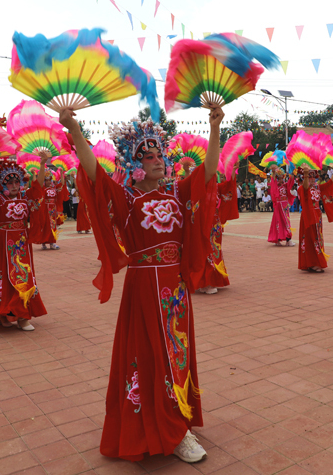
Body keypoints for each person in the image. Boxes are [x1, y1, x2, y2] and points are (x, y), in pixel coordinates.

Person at [62, 106, 221, 464]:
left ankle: (177, 421)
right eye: (148, 157)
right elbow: (95, 174)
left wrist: (216, 128)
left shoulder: (177, 193)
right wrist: (73, 128)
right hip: (145, 285)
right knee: (152, 355)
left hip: (175, 288)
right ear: (135, 165)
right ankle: (170, 431)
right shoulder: (128, 199)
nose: (158, 161)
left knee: (176, 354)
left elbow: (208, 173)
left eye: (160, 155)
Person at [0, 155, 48, 331]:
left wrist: (42, 164)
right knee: (4, 277)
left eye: (17, 182)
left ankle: (23, 316)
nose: (15, 186)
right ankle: (5, 314)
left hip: (22, 242)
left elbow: (38, 186)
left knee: (24, 275)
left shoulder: (26, 196)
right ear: (2, 184)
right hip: (4, 242)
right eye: (10, 183)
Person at [297, 167, 328, 273]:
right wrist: (305, 173)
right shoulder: (301, 188)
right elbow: (305, 187)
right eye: (309, 177)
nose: (311, 179)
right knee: (310, 239)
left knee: (317, 238)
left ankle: (313, 262)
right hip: (308, 215)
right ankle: (313, 263)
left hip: (317, 216)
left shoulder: (317, 188)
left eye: (313, 176)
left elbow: (328, 186)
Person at [31, 168, 67, 250]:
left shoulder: (54, 188)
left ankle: (52, 243)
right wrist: (34, 174)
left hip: (53, 210)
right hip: (44, 210)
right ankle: (43, 243)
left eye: (49, 180)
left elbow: (62, 183)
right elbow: (35, 185)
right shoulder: (42, 188)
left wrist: (61, 173)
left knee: (52, 226)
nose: (48, 182)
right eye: (46, 180)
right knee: (44, 226)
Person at [267, 164, 295, 246]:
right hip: (278, 206)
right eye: (278, 178)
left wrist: (293, 173)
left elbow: (290, 182)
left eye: (282, 178)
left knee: (286, 221)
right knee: (278, 222)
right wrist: (273, 171)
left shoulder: (285, 185)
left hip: (285, 205)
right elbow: (273, 181)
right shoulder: (275, 185)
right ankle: (278, 240)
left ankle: (288, 240)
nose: (280, 180)